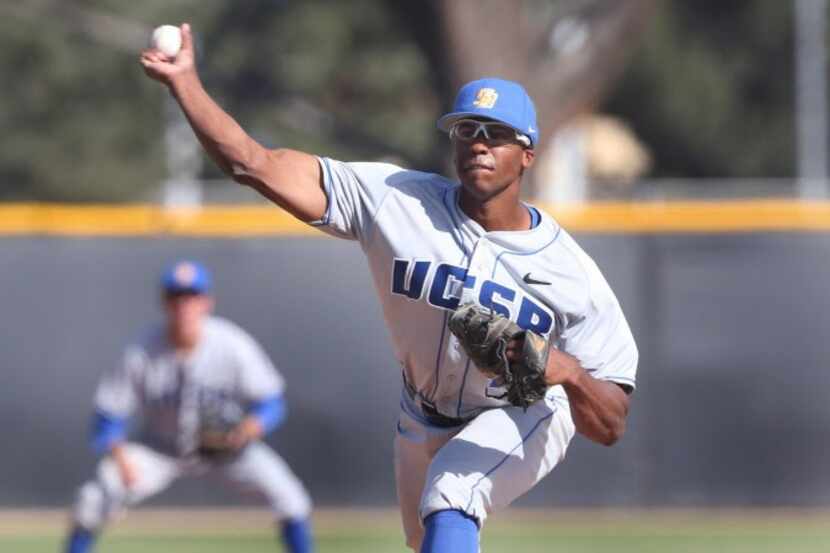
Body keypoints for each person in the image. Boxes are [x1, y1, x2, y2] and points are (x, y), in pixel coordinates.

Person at [140, 24, 638, 553]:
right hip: (421, 414)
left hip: (522, 410)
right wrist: (185, 84)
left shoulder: (571, 273)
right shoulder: (396, 200)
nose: (478, 144)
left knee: (453, 492)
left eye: (495, 133)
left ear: (528, 153)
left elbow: (609, 424)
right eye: (466, 130)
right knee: (432, 535)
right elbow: (252, 162)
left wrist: (569, 373)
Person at [63, 260, 315, 553]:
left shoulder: (232, 344)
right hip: (160, 450)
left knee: (291, 498)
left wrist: (250, 427)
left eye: (192, 296)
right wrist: (121, 459)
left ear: (207, 302)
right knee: (93, 497)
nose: (184, 305)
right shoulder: (141, 351)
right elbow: (107, 415)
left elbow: (272, 401)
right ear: (165, 303)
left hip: (226, 449)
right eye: (176, 297)